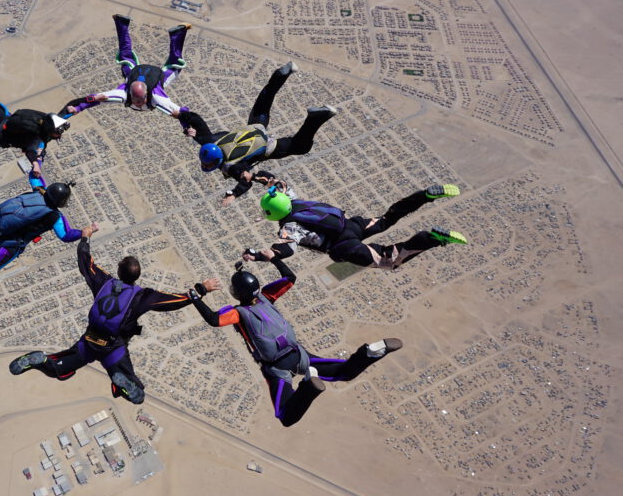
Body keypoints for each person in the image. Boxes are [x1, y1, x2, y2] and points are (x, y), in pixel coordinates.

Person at [9, 226, 220, 403]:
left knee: (58, 370)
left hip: (89, 342)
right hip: (113, 349)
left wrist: (86, 236)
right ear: (137, 276)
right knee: (137, 393)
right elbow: (173, 301)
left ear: (119, 272)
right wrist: (201, 289)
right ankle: (121, 381)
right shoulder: (142, 297)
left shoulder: (103, 282)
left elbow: (85, 261)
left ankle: (41, 361)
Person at [190, 260, 402, 426]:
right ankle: (371, 353)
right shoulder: (266, 296)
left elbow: (214, 319)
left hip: (277, 367)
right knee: (343, 372)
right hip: (300, 355)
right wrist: (274, 259)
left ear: (236, 292)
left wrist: (196, 297)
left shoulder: (238, 312)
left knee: (286, 416)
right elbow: (290, 277)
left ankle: (309, 387)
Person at [177, 63, 336, 203]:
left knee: (300, 147)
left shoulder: (231, 167)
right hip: (255, 127)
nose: (206, 165)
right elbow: (197, 119)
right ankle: (281, 74)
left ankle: (316, 118)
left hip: (269, 147)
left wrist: (234, 194)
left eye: (208, 164)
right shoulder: (208, 141)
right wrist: (182, 117)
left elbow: (246, 181)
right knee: (264, 103)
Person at [256, 182, 467, 269]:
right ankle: (425, 196)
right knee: (387, 218)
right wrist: (263, 181)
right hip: (351, 224)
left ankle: (432, 238)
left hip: (344, 246)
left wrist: (267, 255)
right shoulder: (292, 199)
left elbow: (286, 249)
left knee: (389, 258)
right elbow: (280, 186)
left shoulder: (288, 227)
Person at [0, 173, 92, 280]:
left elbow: (34, 176)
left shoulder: (39, 190)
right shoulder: (55, 216)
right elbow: (66, 235)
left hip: (2, 226)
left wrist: (36, 163)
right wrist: (84, 233)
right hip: (12, 244)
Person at [59, 14, 191, 117]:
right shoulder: (152, 98)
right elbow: (98, 98)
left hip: (138, 73)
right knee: (174, 64)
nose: (139, 104)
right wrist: (77, 108)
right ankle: (177, 34)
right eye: (138, 100)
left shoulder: (132, 95)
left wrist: (77, 108)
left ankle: (122, 24)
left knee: (172, 64)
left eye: (139, 100)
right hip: (139, 74)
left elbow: (98, 98)